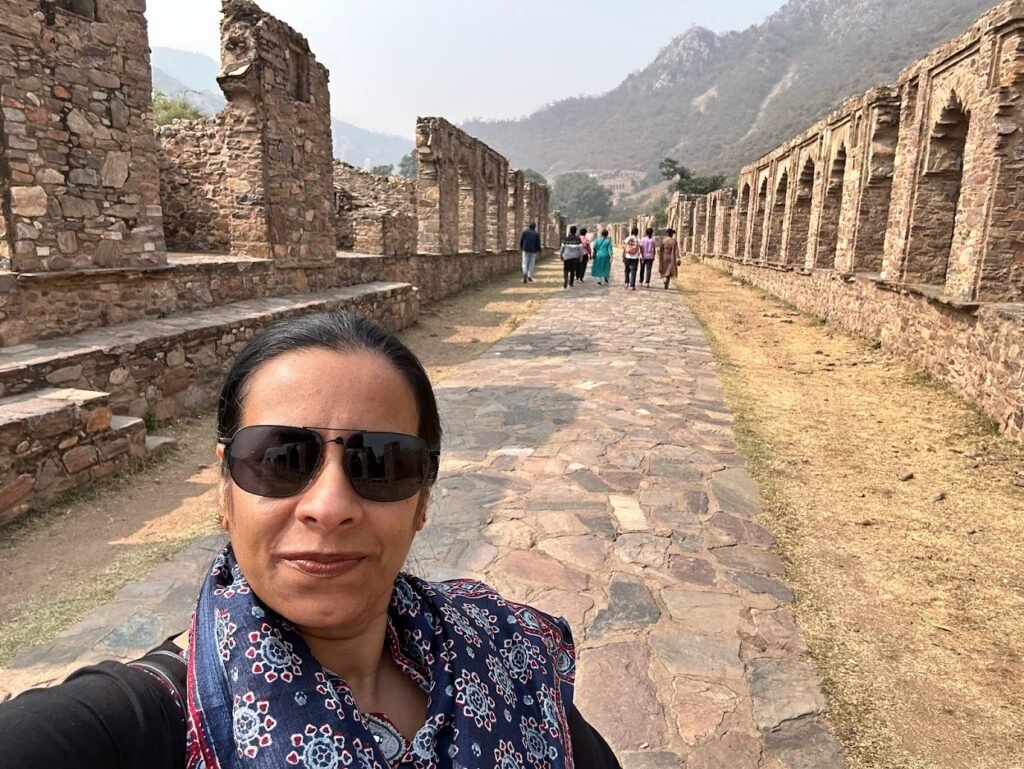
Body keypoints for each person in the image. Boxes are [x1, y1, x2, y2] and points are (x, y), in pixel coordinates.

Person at [0, 312, 622, 769]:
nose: (329, 507)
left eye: (380, 464)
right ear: (224, 490)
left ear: (423, 500)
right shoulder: (143, 724)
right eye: (278, 458)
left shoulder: (501, 655)